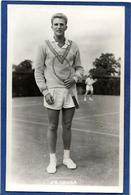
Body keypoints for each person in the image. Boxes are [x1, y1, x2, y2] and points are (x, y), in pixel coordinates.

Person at [34, 13, 83, 174]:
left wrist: (75, 78)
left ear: (66, 26)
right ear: (52, 26)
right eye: (56, 24)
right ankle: (52, 160)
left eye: (62, 24)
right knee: (53, 126)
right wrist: (45, 90)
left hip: (70, 92)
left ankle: (67, 158)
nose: (59, 27)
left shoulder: (74, 46)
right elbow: (39, 71)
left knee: (67, 126)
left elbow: (80, 68)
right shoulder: (43, 46)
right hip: (52, 92)